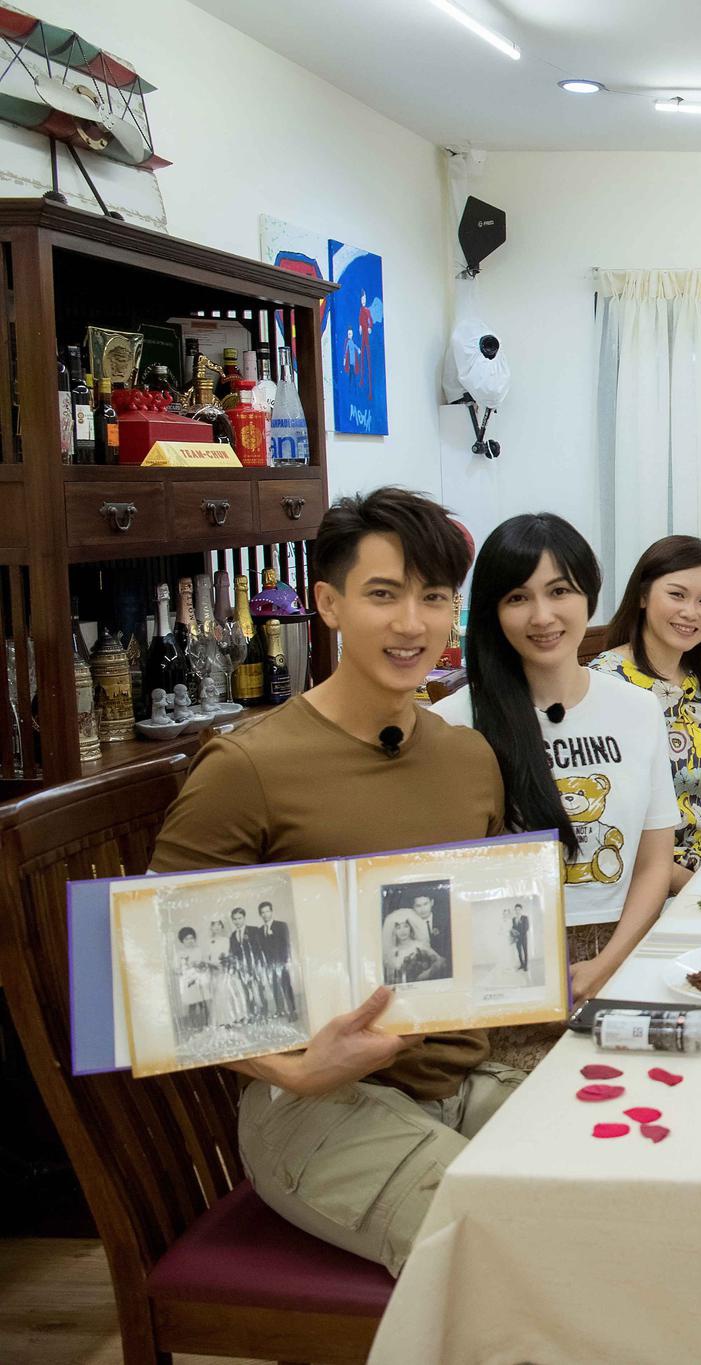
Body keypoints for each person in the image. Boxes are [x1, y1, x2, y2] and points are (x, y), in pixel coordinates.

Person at [149, 486, 516, 1275]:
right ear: (328, 603)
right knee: (497, 1244)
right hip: (312, 1104)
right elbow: (154, 963)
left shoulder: (468, 757)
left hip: (459, 1079)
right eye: (383, 594)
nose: (411, 623)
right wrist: (292, 1068)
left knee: (612, 1200)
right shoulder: (247, 765)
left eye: (434, 596)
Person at [434, 514, 676, 1057]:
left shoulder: (638, 709)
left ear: (589, 594)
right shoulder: (453, 723)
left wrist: (605, 964)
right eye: (518, 598)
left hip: (624, 952)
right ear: (494, 611)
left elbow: (654, 861)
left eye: (559, 591)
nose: (542, 616)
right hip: (502, 971)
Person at [591, 535, 701, 893]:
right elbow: (608, 824)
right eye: (677, 595)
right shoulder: (605, 684)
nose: (691, 612)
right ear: (642, 596)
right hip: (639, 880)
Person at [256, 900, 297, 1019]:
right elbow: (261, 949)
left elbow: (286, 944)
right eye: (263, 912)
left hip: (281, 962)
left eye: (267, 911)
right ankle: (280, 1010)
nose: (265, 914)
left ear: (271, 911)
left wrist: (285, 961)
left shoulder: (281, 925)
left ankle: (292, 1011)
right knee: (274, 987)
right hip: (269, 964)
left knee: (286, 985)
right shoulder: (260, 930)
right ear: (260, 914)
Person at [205, 918, 248, 1029]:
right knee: (219, 995)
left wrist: (228, 963)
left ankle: (235, 1018)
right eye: (214, 925)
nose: (217, 927)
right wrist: (213, 965)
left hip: (227, 970)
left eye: (219, 924)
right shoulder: (208, 942)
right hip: (216, 971)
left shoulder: (227, 940)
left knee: (231, 993)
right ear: (211, 928)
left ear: (222, 926)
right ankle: (223, 1021)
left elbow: (231, 954)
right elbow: (207, 959)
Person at [175, 927, 209, 1038]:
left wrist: (201, 966)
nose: (190, 941)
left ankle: (206, 1025)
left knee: (204, 1003)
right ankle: (194, 1027)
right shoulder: (180, 954)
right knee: (192, 1005)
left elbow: (205, 963)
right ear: (182, 940)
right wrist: (185, 969)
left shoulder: (199, 950)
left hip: (200, 979)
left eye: (191, 938)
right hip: (189, 982)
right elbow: (176, 969)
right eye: (186, 939)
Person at [510, 902, 530, 973]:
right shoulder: (513, 919)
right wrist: (513, 933)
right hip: (517, 939)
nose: (517, 911)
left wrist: (519, 933)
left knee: (525, 951)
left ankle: (525, 966)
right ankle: (521, 964)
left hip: (523, 938)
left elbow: (526, 928)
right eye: (516, 910)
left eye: (518, 909)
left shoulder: (525, 918)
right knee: (519, 952)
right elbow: (513, 928)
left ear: (521, 910)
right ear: (515, 910)